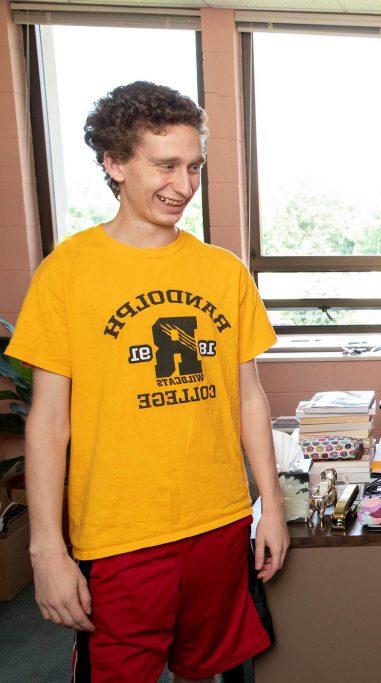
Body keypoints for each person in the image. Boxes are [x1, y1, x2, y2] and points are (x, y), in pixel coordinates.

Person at [7, 81, 288, 682]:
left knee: (215, 669)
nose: (183, 186)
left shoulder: (223, 271)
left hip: (219, 520)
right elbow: (48, 420)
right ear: (114, 162)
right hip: (118, 533)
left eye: (194, 166)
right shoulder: (68, 273)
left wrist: (271, 506)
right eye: (165, 165)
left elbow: (249, 397)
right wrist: (46, 548)